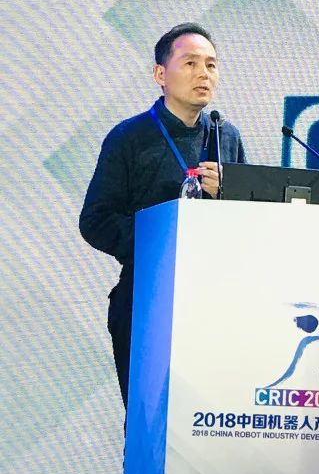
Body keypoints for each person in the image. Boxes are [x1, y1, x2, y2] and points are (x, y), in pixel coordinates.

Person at [80, 22, 247, 407]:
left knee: (209, 420)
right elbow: (96, 220)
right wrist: (160, 241)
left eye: (211, 65)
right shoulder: (129, 137)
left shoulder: (226, 137)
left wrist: (232, 191)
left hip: (215, 300)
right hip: (148, 297)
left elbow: (246, 222)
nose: (203, 74)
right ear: (160, 74)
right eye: (190, 63)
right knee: (150, 421)